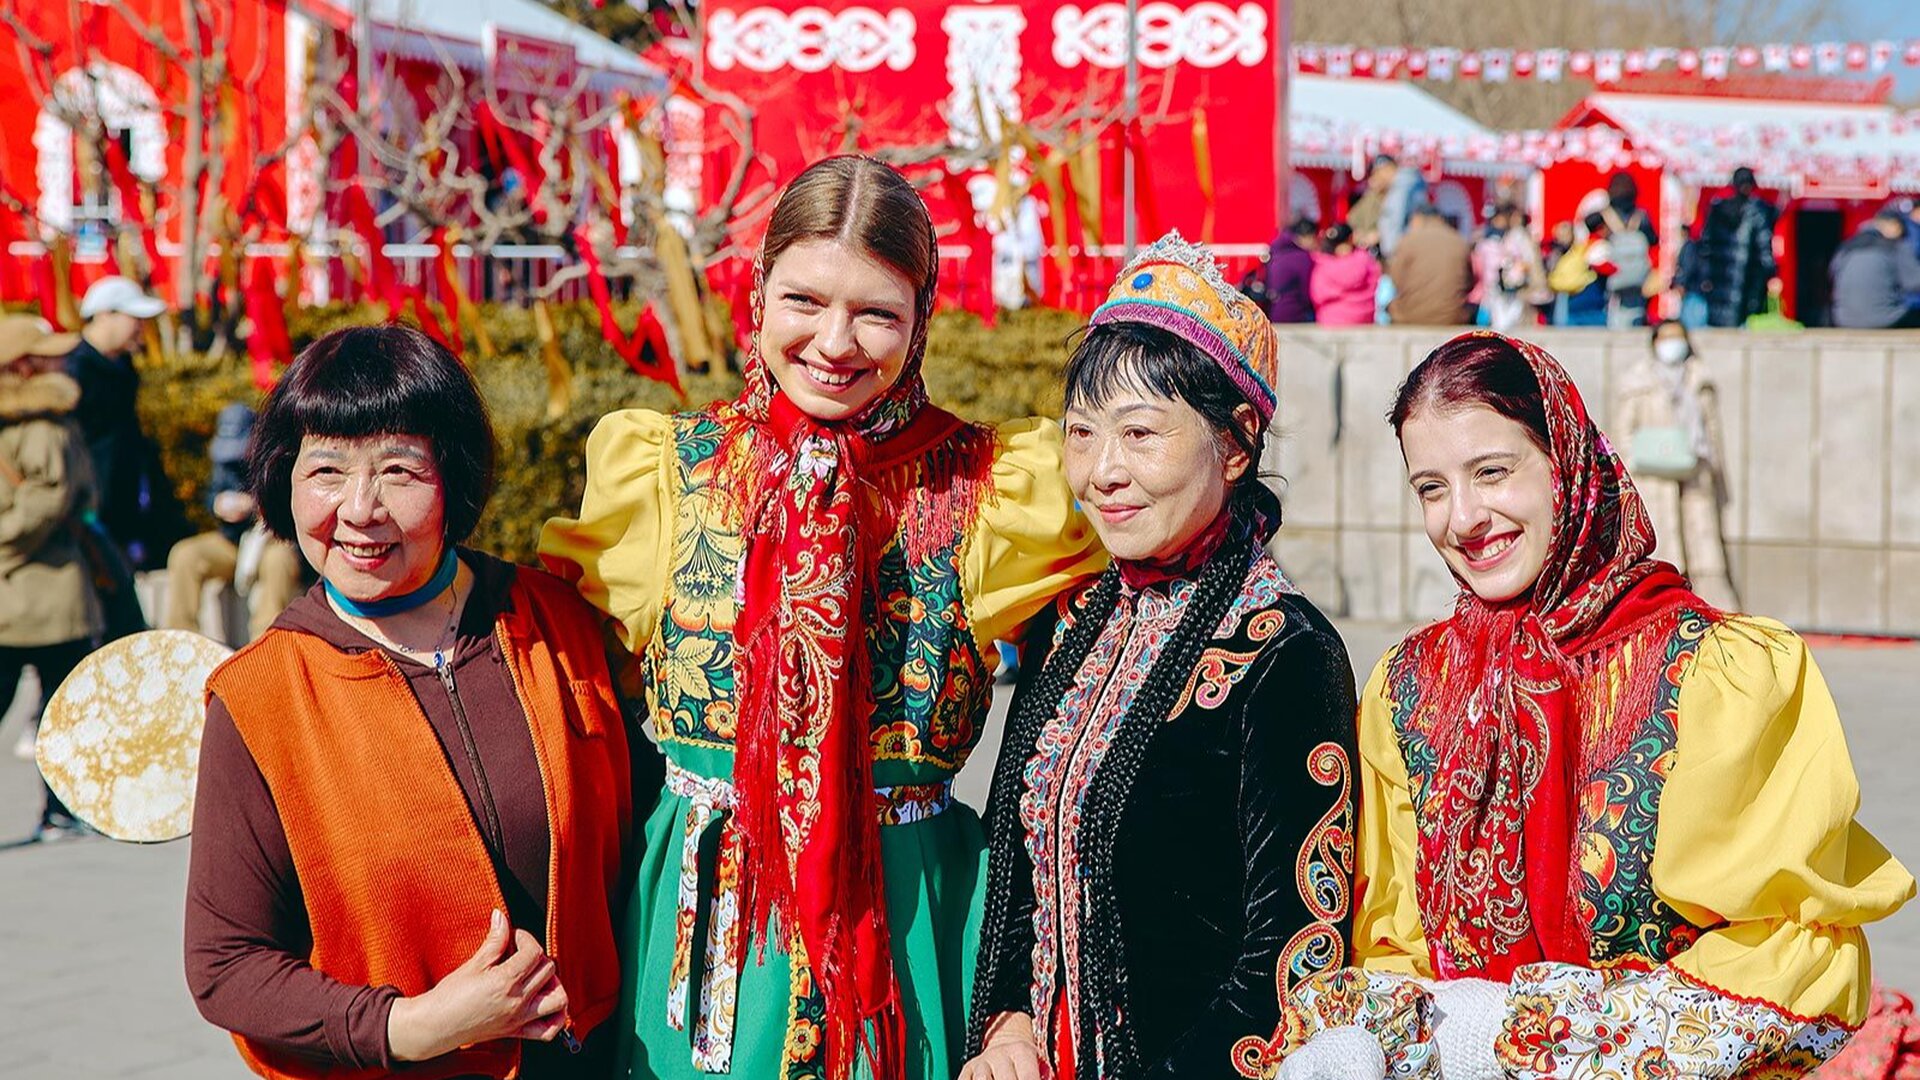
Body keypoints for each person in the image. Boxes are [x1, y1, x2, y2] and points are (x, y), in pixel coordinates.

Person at [538, 155, 1106, 1080]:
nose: (834, 343)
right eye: (804, 300)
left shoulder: (990, 489)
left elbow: (1091, 709)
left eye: (876, 313)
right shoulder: (665, 475)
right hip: (708, 928)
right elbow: (558, 701)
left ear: (921, 319)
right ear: (757, 293)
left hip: (911, 920)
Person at [1277, 332, 1914, 1079]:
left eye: (1492, 472)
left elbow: (1789, 948)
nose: (1463, 518)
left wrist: (1538, 1039)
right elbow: (1395, 942)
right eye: (1431, 488)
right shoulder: (1409, 689)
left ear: (1566, 462)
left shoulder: (1714, 671)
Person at [184, 325, 645, 1078]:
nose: (360, 509)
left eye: (399, 471)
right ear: (283, 480)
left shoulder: (556, 621)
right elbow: (226, 964)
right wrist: (415, 1025)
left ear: (452, 478)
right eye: (326, 471)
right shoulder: (261, 696)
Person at [960, 234, 1357, 1080]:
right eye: (1082, 433)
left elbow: (1292, 961)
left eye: (1140, 433)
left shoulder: (1284, 656)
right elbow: (1015, 876)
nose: (1103, 471)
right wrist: (1008, 1032)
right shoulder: (1067, 626)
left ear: (1236, 444)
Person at [0, 315, 99, 842]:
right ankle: (59, 812)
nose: (62, 359)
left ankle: (60, 811)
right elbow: (49, 500)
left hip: (24, 590)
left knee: (57, 710)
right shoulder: (43, 426)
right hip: (43, 587)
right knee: (63, 712)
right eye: (48, 353)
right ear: (23, 366)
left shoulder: (40, 422)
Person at [1616, 320, 1738, 609]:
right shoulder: (1637, 382)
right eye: (1666, 338)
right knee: (1663, 551)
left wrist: (1713, 468)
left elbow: (1712, 431)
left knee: (1703, 552)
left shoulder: (1699, 380)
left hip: (1694, 474)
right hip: (1652, 479)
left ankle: (1710, 613)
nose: (1672, 344)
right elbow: (1623, 431)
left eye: (1678, 337)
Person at [160, 403, 306, 643]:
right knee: (184, 554)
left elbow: (291, 505)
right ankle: (181, 641)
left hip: (271, 541)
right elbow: (211, 495)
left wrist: (254, 506)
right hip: (233, 542)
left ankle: (265, 643)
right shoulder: (223, 460)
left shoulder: (278, 458)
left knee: (279, 562)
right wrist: (217, 505)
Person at [66, 275, 185, 567]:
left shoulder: (124, 367)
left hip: (124, 509)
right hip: (88, 511)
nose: (141, 329)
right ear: (105, 315)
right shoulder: (74, 370)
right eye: (135, 319)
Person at [1697, 166, 1779, 328]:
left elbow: (1704, 248)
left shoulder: (1717, 210)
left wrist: (1705, 278)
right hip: (1746, 288)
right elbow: (1765, 252)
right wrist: (1771, 275)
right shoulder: (1757, 212)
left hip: (1717, 289)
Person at [1829, 211, 1920, 330]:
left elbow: (1832, 276)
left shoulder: (1846, 247)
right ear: (1894, 225)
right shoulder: (1896, 246)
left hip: (1844, 320)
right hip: (1886, 319)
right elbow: (1914, 282)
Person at [1387, 204, 1473, 326]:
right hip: (1452, 317)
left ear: (1418, 218)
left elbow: (1395, 280)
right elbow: (1469, 283)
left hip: (1410, 315)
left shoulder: (1409, 240)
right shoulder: (1459, 241)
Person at [1600, 174, 1656, 329]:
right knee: (1635, 315)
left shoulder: (1604, 216)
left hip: (1612, 278)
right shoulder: (1641, 216)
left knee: (1611, 315)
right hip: (1637, 279)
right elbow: (1653, 241)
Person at [1309, 223, 1382, 326]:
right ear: (1351, 238)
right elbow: (1377, 287)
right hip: (1364, 321)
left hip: (1330, 322)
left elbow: (1317, 296)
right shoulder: (1367, 261)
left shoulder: (1321, 265)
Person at [1263, 217, 1319, 323]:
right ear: (1308, 237)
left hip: (1273, 312)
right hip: (1295, 314)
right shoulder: (1302, 258)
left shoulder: (1277, 251)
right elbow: (1307, 292)